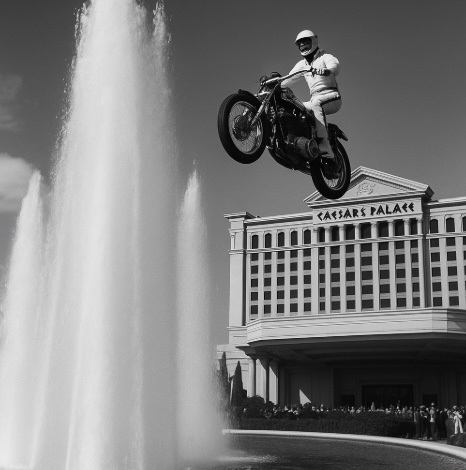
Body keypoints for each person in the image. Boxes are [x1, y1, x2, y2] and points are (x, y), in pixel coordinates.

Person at [281, 30, 342, 161]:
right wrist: (275, 83)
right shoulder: (302, 64)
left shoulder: (324, 56)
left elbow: (335, 65)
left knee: (316, 102)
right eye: (300, 43)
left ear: (313, 41)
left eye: (305, 41)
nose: (303, 44)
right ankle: (302, 141)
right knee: (292, 104)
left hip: (332, 96)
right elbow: (288, 79)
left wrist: (328, 70)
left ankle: (325, 144)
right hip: (315, 99)